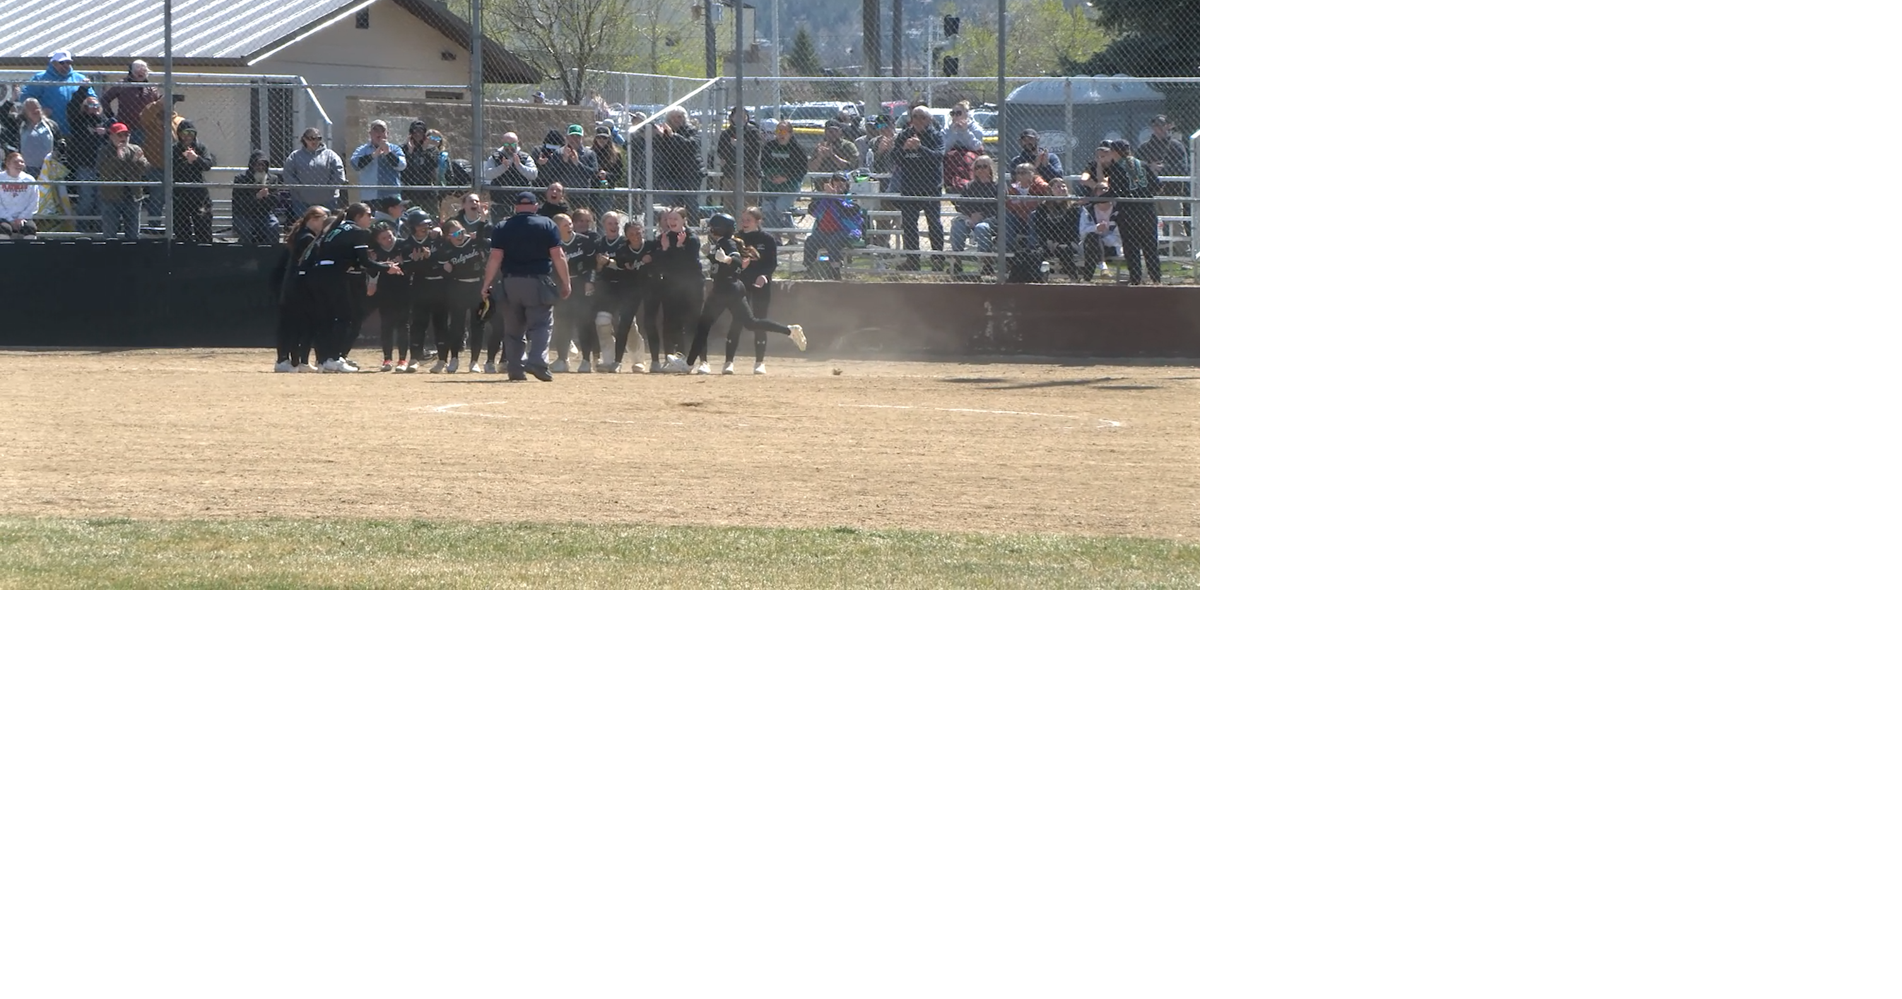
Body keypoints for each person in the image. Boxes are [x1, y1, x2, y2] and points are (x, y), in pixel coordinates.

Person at [684, 212, 803, 375]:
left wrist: (726, 259)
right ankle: (789, 331)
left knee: (705, 327)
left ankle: (689, 364)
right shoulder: (723, 242)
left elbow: (737, 261)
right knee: (749, 323)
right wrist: (711, 257)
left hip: (727, 290)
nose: (709, 229)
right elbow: (723, 266)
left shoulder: (727, 243)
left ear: (719, 229)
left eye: (712, 227)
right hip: (726, 289)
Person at [479, 190, 571, 382]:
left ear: (516, 207)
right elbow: (558, 256)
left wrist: (486, 284)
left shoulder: (503, 226)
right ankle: (536, 361)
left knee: (513, 329)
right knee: (541, 324)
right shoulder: (547, 224)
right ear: (536, 206)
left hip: (510, 282)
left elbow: (495, 258)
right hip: (537, 281)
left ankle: (515, 369)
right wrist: (566, 282)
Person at [733, 207, 794, 374]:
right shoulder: (737, 238)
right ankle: (729, 362)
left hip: (761, 283)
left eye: (748, 220)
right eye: (743, 220)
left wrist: (764, 275)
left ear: (758, 222)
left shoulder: (766, 239)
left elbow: (771, 263)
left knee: (760, 320)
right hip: (741, 283)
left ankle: (759, 362)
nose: (744, 223)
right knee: (737, 319)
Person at [638, 205, 699, 372]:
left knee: (689, 322)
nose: (669, 222)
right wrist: (664, 249)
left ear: (684, 220)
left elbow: (688, 262)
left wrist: (678, 247)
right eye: (666, 219)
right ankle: (669, 358)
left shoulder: (691, 238)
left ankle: (690, 360)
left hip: (689, 286)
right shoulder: (664, 239)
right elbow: (661, 261)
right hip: (670, 285)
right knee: (669, 322)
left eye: (673, 219)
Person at [592, 210, 648, 372]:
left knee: (628, 323)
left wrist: (611, 262)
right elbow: (595, 268)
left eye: (616, 223)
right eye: (610, 223)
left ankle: (638, 360)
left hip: (625, 287)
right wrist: (600, 264)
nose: (614, 226)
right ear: (603, 225)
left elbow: (629, 263)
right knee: (602, 321)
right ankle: (609, 360)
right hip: (606, 288)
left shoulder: (626, 242)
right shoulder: (599, 243)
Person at [891, 106, 945, 271]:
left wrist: (920, 147)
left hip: (930, 187)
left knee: (934, 224)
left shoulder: (935, 136)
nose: (918, 120)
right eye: (915, 116)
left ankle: (937, 259)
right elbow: (894, 158)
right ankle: (912, 260)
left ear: (929, 120)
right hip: (909, 187)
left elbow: (938, 157)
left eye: (922, 117)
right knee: (909, 224)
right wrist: (904, 149)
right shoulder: (904, 135)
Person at [280, 205, 331, 371]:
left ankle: (301, 361)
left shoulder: (304, 236)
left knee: (303, 325)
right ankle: (298, 361)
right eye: (323, 219)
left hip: (296, 286)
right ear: (313, 219)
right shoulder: (306, 238)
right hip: (301, 287)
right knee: (304, 325)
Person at [548, 211, 599, 372]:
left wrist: (589, 281)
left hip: (580, 284)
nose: (570, 227)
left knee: (584, 322)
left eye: (570, 223)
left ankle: (586, 360)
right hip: (561, 286)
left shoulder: (584, 241)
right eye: (565, 225)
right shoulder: (552, 243)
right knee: (562, 322)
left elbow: (592, 265)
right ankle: (563, 359)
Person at [434, 217, 487, 372]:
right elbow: (438, 266)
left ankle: (474, 361)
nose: (460, 235)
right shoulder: (445, 249)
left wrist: (483, 221)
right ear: (448, 236)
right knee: (457, 325)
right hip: (458, 287)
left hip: (477, 285)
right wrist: (445, 269)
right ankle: (454, 358)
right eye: (455, 233)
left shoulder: (474, 243)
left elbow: (485, 239)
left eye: (461, 231)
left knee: (477, 324)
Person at [1106, 138, 1161, 286]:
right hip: (1147, 210)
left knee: (1131, 247)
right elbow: (1157, 185)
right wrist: (1143, 193)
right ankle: (1156, 279)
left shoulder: (1117, 168)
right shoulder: (1142, 164)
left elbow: (1113, 192)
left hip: (1128, 212)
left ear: (1115, 152)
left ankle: (1136, 279)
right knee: (1150, 247)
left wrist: (1092, 199)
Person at [63, 91, 111, 232]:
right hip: (86, 165)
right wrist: (83, 90)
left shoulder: (105, 120)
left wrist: (107, 132)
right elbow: (71, 108)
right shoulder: (79, 120)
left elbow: (119, 132)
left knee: (100, 199)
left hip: (103, 166)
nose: (94, 107)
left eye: (96, 105)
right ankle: (82, 229)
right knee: (86, 198)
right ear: (85, 107)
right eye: (90, 105)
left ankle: (98, 229)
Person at [803, 171, 864, 280]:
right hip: (824, 233)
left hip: (847, 232)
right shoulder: (825, 198)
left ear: (847, 185)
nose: (839, 183)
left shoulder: (852, 198)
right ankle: (809, 270)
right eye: (835, 181)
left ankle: (835, 271)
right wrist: (827, 196)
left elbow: (848, 211)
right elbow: (812, 211)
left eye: (842, 181)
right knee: (810, 241)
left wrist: (836, 197)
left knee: (834, 241)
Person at [1137, 114, 1189, 239]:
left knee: (1175, 225)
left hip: (1171, 191)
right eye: (1155, 126)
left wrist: (1163, 169)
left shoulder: (1176, 145)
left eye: (1161, 125)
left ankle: (1183, 253)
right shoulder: (1145, 147)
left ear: (1168, 126)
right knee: (1148, 224)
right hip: (1150, 192)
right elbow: (1135, 165)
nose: (1158, 129)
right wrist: (1149, 167)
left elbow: (1182, 168)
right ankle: (1156, 251)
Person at [95, 122, 147, 240]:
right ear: (111, 136)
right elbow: (104, 173)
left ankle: (132, 256)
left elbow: (144, 170)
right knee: (110, 234)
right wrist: (117, 158)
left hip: (133, 196)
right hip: (111, 197)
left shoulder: (135, 149)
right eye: (120, 135)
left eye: (126, 135)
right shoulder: (104, 150)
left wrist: (137, 161)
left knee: (133, 235)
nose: (124, 138)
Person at [949, 156, 1000, 277]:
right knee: (958, 226)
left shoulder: (997, 186)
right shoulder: (970, 186)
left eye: (984, 166)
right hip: (971, 218)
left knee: (981, 228)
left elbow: (1000, 207)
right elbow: (961, 205)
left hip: (992, 218)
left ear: (990, 169)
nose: (981, 170)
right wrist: (971, 215)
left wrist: (981, 215)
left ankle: (986, 264)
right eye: (977, 167)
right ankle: (957, 262)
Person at [169, 119, 216, 243]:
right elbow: (171, 170)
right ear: (179, 134)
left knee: (204, 231)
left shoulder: (200, 147)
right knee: (182, 232)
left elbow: (208, 164)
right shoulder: (174, 149)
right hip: (181, 196)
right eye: (185, 133)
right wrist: (185, 162)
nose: (189, 136)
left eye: (192, 133)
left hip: (200, 195)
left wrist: (196, 159)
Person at [653, 109, 703, 224]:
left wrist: (673, 136)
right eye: (673, 118)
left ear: (685, 118)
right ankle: (674, 230)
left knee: (691, 204)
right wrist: (661, 136)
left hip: (690, 174)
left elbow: (691, 146)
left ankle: (693, 229)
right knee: (672, 207)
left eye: (679, 117)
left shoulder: (692, 131)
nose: (676, 120)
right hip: (670, 175)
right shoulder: (664, 133)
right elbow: (659, 150)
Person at [758, 120, 807, 238]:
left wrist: (786, 177)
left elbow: (802, 169)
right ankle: (775, 237)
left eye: (783, 131)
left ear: (790, 133)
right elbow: (764, 165)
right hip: (771, 184)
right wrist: (771, 176)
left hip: (790, 186)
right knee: (768, 209)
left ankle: (790, 233)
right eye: (778, 131)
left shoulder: (797, 149)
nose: (780, 134)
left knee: (780, 207)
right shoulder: (769, 146)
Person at [23, 51, 92, 133]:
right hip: (48, 127)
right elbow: (25, 97)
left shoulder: (79, 78)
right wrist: (40, 111)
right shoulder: (40, 78)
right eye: (62, 62)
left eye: (68, 62)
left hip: (76, 128)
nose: (66, 65)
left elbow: (92, 98)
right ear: (54, 63)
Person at [282, 127, 345, 216]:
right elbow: (288, 175)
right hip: (302, 202)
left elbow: (339, 175)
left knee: (327, 226)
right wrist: (301, 189)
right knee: (304, 226)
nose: (315, 141)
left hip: (327, 201)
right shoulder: (295, 156)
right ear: (304, 139)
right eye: (311, 138)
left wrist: (327, 191)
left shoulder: (331, 155)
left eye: (318, 138)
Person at [230, 150, 286, 246]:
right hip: (244, 215)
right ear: (251, 165)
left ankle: (269, 254)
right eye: (257, 164)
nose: (260, 168)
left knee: (273, 226)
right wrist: (256, 197)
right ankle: (246, 255)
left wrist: (267, 196)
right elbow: (238, 203)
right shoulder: (241, 178)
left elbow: (276, 201)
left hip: (264, 214)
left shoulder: (272, 179)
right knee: (246, 230)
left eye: (263, 165)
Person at [714, 106, 762, 217]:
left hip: (749, 174)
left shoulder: (753, 131)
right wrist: (732, 152)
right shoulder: (726, 133)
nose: (741, 118)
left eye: (743, 116)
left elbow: (754, 152)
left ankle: (749, 229)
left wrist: (740, 144)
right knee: (729, 203)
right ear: (732, 117)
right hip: (731, 173)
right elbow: (721, 152)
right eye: (737, 116)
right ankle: (732, 228)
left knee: (749, 205)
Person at [536, 124, 599, 205]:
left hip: (581, 196)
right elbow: (549, 174)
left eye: (578, 136)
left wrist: (577, 163)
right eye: (572, 136)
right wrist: (563, 161)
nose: (575, 139)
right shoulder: (558, 152)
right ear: (567, 137)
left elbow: (594, 174)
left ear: (582, 138)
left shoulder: (589, 153)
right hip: (561, 196)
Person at [1033, 178, 1082, 281]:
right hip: (1047, 242)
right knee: (1037, 253)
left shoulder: (1074, 207)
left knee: (1063, 249)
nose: (1061, 189)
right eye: (1057, 187)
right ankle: (1039, 279)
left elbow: (1070, 228)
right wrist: (1050, 241)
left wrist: (1057, 243)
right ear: (1051, 190)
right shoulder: (1043, 207)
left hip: (1068, 241)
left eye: (1063, 186)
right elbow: (1041, 227)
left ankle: (1074, 278)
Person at [482, 132, 539, 219]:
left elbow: (533, 174)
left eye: (512, 144)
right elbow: (488, 174)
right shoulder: (495, 157)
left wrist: (519, 165)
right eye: (506, 144)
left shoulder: (525, 157)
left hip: (521, 204)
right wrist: (503, 167)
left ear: (517, 143)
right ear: (502, 142)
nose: (509, 147)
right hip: (500, 202)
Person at [101, 61, 159, 147]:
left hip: (146, 128)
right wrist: (111, 117)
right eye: (137, 70)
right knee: (125, 152)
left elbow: (159, 104)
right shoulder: (122, 84)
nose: (141, 72)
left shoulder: (151, 87)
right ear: (131, 71)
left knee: (143, 154)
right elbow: (104, 100)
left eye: (143, 70)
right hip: (125, 128)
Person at [351, 120, 405, 203]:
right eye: (376, 130)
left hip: (391, 196)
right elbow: (355, 164)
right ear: (370, 134)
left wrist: (388, 153)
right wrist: (373, 155)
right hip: (370, 196)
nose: (379, 133)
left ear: (387, 133)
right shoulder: (362, 149)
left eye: (382, 131)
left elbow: (402, 166)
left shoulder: (395, 149)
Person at [14, 98, 62, 179]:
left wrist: (57, 153)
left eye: (36, 107)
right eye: (31, 108)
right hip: (26, 168)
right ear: (25, 112)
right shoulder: (20, 125)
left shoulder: (51, 125)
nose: (35, 110)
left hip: (48, 167)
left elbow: (60, 142)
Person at [399, 120, 448, 199]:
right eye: (415, 131)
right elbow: (404, 167)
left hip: (426, 189)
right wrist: (410, 152)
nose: (418, 134)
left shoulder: (431, 149)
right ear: (411, 133)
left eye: (420, 131)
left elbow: (432, 166)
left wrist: (424, 150)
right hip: (408, 189)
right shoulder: (403, 148)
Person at [0, 150, 43, 238]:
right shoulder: (1, 178)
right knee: (4, 228)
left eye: (22, 162)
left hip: (24, 217)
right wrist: (10, 220)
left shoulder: (29, 180)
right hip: (3, 217)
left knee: (30, 229)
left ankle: (28, 252)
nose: (19, 164)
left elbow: (34, 201)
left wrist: (22, 217)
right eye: (15, 162)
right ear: (7, 164)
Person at [589, 124, 625, 218]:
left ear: (609, 139)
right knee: (590, 217)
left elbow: (619, 174)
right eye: (599, 137)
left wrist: (607, 175)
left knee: (604, 217)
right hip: (591, 189)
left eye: (604, 138)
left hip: (607, 190)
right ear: (595, 139)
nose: (601, 140)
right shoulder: (589, 153)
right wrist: (596, 174)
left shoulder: (615, 154)